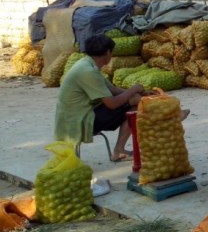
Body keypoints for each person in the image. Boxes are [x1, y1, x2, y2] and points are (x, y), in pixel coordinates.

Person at [55, 34, 146, 162]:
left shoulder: (86, 63)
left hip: (81, 113)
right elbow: (112, 104)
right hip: (78, 121)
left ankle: (119, 150)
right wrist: (134, 90)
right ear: (108, 52)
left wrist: (140, 93)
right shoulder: (88, 71)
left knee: (134, 99)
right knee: (133, 106)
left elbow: (112, 89)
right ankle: (119, 150)